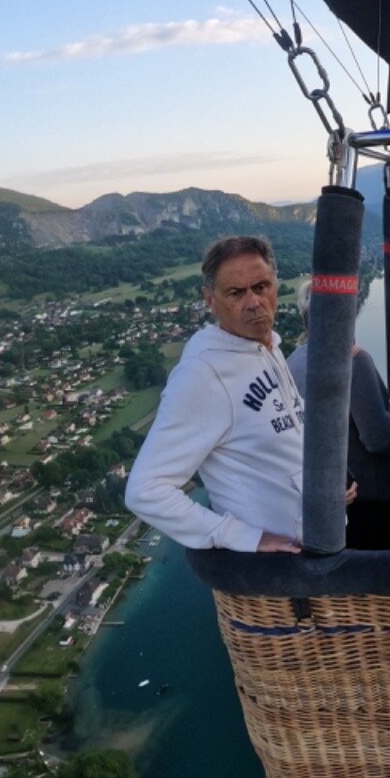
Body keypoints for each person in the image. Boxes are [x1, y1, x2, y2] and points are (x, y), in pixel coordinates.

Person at [126, 235, 333, 553]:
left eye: (261, 287)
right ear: (210, 299)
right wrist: (244, 537)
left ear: (275, 286)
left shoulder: (268, 346)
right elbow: (144, 490)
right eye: (236, 293)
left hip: (316, 545)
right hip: (278, 574)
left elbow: (283, 431)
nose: (253, 302)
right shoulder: (203, 373)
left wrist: (325, 484)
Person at [287, 282, 390, 549]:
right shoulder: (354, 360)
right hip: (373, 496)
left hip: (329, 497)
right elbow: (378, 440)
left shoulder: (293, 361)